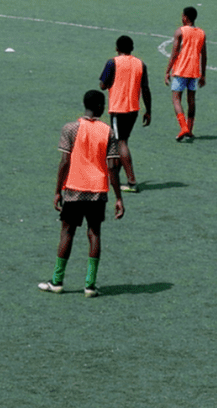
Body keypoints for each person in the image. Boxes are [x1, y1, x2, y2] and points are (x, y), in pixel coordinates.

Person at [38, 90, 124, 298]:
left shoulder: (71, 128)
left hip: (74, 190)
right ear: (101, 107)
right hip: (98, 192)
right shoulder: (107, 131)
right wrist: (119, 197)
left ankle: (57, 281)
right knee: (94, 234)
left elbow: (65, 162)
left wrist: (58, 190)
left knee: (67, 233)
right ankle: (90, 285)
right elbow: (112, 166)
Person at [99, 35, 151, 191]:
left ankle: (131, 181)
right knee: (122, 141)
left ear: (116, 48)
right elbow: (146, 89)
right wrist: (148, 111)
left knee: (121, 143)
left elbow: (102, 85)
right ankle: (113, 176)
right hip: (133, 109)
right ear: (132, 48)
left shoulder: (112, 62)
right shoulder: (140, 64)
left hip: (118, 109)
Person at [166, 6, 207, 142]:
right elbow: (204, 55)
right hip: (194, 72)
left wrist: (167, 70)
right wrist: (203, 74)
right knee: (191, 100)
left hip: (180, 70)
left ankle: (183, 127)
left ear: (185, 17)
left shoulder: (180, 31)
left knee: (176, 99)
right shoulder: (201, 33)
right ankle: (190, 129)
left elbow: (174, 53)